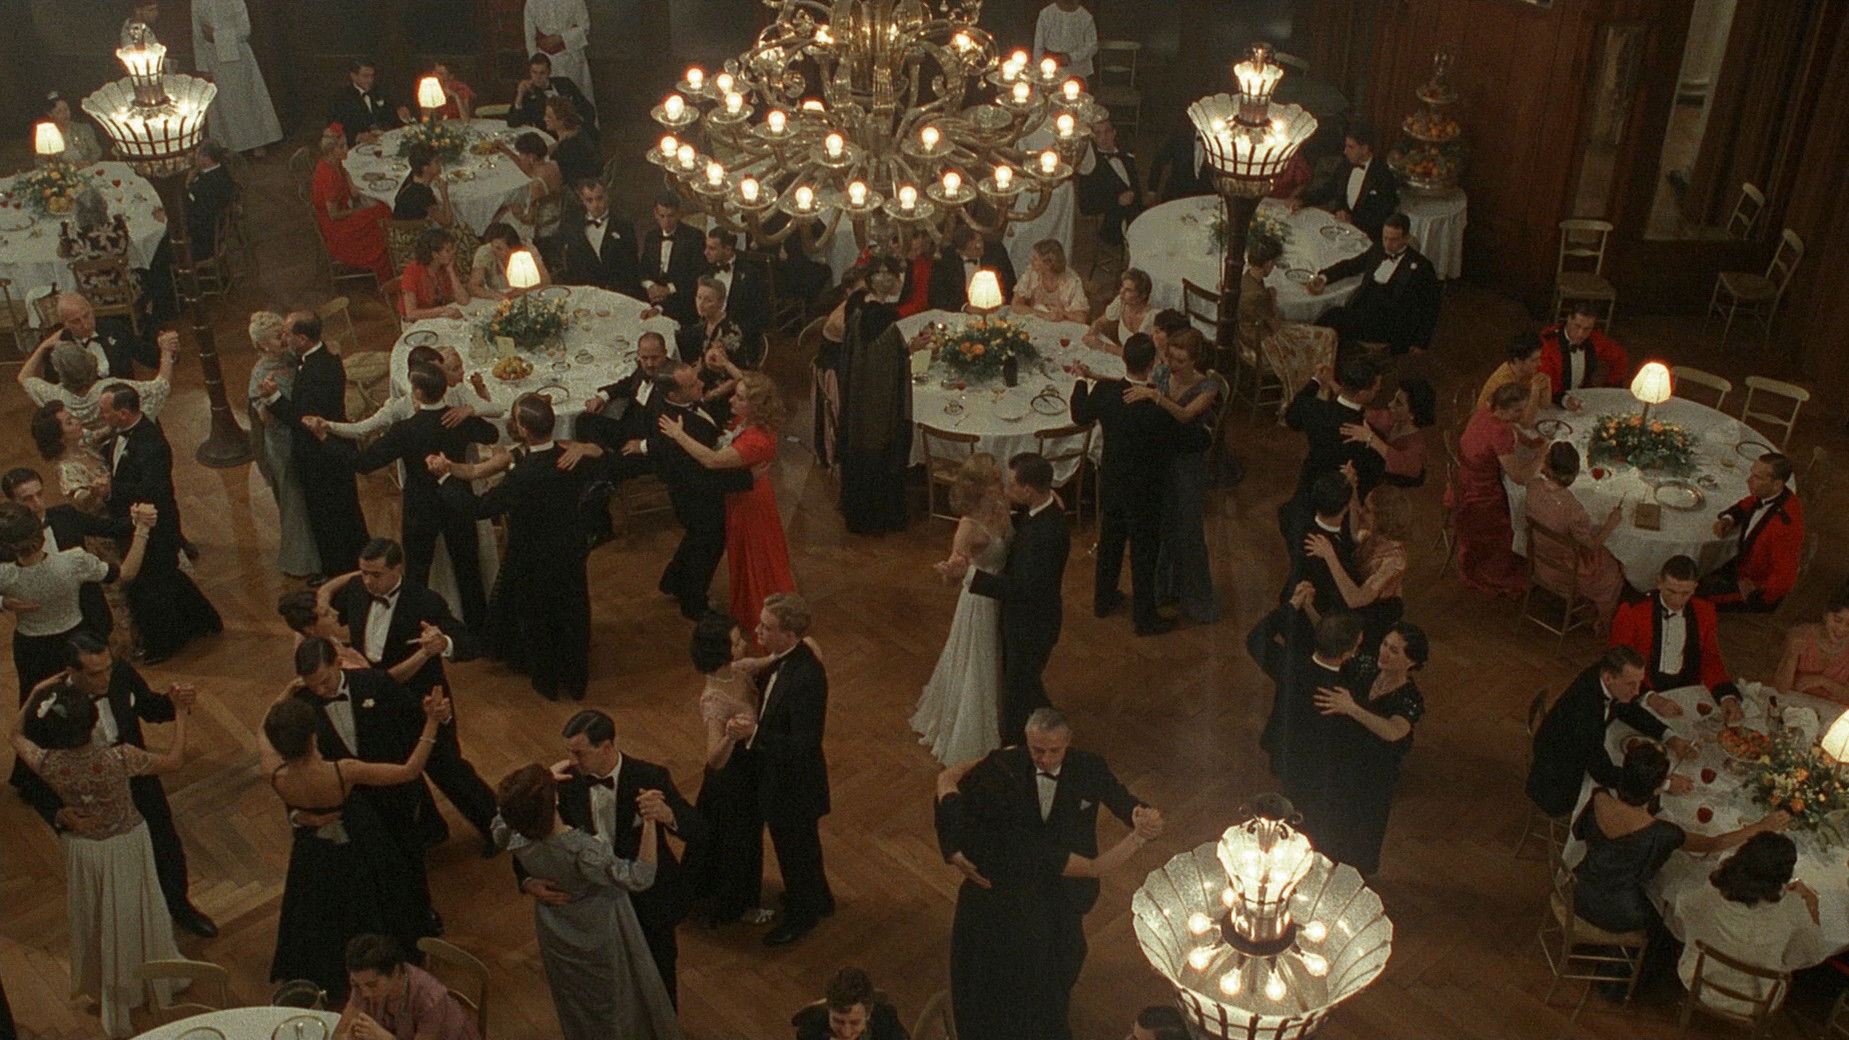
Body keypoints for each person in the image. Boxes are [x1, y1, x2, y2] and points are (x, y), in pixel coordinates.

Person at [935, 709, 1160, 1040]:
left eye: (1054, 750)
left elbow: (1121, 800)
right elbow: (951, 791)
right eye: (1037, 750)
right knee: (1017, 968)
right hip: (1012, 891)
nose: (1045, 758)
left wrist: (1140, 816)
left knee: (1065, 956)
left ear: (1068, 741)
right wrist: (952, 849)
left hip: (1063, 887)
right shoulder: (1004, 773)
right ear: (1026, 742)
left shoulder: (1088, 767)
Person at [10, 681, 189, 1037]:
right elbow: (175, 761)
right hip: (126, 843)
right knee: (135, 911)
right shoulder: (120, 758)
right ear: (94, 722)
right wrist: (182, 714)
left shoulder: (49, 763)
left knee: (97, 917)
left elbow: (14, 735)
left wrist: (34, 693)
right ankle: (149, 979)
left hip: (84, 849)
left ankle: (109, 984)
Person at [262, 665, 449, 998]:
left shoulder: (274, 774)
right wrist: (432, 722)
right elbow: (409, 771)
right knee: (377, 899)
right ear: (312, 737)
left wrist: (284, 695)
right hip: (359, 840)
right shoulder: (341, 772)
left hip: (313, 851)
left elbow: (261, 729)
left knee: (321, 909)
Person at [19, 632, 216, 936]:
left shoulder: (121, 674)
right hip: (87, 803)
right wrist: (58, 815)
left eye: (108, 668)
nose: (107, 678)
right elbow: (33, 776)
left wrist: (174, 703)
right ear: (72, 671)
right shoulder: (51, 706)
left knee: (165, 846)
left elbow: (149, 707)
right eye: (96, 674)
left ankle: (178, 905)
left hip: (136, 779)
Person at [523, 712, 704, 1005]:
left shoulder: (649, 776)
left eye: (579, 752)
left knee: (659, 973)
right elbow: (528, 830)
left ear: (606, 747)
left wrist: (667, 814)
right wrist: (527, 880)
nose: (571, 760)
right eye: (569, 751)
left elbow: (698, 830)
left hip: (647, 898)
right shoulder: (565, 781)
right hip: (591, 901)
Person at [433, 394, 605, 700]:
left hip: (530, 555)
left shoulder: (522, 476)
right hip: (569, 550)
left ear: (523, 429)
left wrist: (444, 477)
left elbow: (479, 508)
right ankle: (575, 677)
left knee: (536, 616)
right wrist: (587, 447)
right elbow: (605, 457)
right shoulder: (572, 455)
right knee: (572, 610)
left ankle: (546, 680)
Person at [495, 763, 682, 1040]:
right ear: (554, 800)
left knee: (574, 994)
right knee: (612, 997)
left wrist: (528, 881)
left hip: (555, 925)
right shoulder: (580, 849)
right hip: (597, 926)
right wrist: (649, 823)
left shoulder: (510, 829)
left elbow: (503, 820)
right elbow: (639, 877)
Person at [1573, 744, 1786, 973]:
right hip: (1618, 912)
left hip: (1577, 888)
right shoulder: (1663, 833)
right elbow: (1714, 844)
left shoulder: (1600, 797)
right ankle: (1630, 972)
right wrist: (1760, 826)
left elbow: (1580, 832)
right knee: (1667, 928)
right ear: (1657, 789)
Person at [725, 593, 834, 945]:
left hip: (794, 785)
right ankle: (820, 898)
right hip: (789, 780)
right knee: (804, 848)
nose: (757, 631)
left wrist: (754, 734)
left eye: (766, 627)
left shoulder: (806, 678)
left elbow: (803, 743)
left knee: (794, 852)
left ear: (789, 634)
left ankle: (803, 916)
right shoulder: (789, 657)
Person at [938, 454, 1070, 744]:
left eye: (1008, 482)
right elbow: (950, 579)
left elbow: (1023, 587)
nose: (1005, 488)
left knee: (1019, 683)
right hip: (986, 604)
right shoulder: (977, 525)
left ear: (1028, 490)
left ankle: (1019, 741)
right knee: (1004, 676)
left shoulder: (1042, 530)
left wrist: (971, 575)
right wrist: (957, 572)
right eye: (998, 481)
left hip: (1024, 614)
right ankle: (1025, 733)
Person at [658, 371, 795, 631]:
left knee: (755, 557)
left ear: (756, 405)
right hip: (737, 494)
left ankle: (762, 613)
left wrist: (678, 434)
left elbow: (711, 460)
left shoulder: (756, 439)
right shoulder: (747, 418)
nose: (732, 400)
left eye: (739, 398)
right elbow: (750, 383)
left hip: (750, 502)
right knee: (736, 553)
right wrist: (725, 370)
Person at [96, 382, 222, 662]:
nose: (100, 416)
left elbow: (154, 490)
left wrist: (112, 489)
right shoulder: (122, 433)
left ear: (124, 413)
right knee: (164, 577)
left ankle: (167, 643)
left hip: (155, 523)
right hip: (139, 519)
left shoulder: (151, 444)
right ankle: (203, 620)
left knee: (150, 585)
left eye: (105, 411)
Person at [0, 502, 150, 708]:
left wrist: (3, 602)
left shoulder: (4, 575)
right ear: (40, 534)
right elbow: (126, 573)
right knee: (89, 697)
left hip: (31, 649)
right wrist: (142, 530)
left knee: (39, 703)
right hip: (75, 641)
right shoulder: (73, 562)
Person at [913, 454, 1009, 766]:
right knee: (978, 662)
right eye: (994, 479)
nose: (1001, 483)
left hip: (1002, 593)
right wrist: (951, 569)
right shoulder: (967, 527)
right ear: (979, 486)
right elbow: (950, 581)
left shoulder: (1001, 507)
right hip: (980, 601)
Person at [260, 312, 372, 578]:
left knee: (328, 517)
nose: (283, 337)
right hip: (333, 449)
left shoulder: (317, 372)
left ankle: (338, 572)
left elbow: (307, 420)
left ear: (301, 339)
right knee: (345, 511)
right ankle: (358, 561)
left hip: (321, 455)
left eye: (287, 333)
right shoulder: (323, 358)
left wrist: (274, 398)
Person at [1310, 622, 1428, 875]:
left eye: (1394, 650)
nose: (1384, 652)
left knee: (1357, 830)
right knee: (1327, 818)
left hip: (1372, 775)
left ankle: (1348, 878)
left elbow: (1394, 731)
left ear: (1410, 662)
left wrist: (1352, 709)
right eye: (1385, 644)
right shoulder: (1365, 666)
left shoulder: (1409, 697)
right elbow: (1334, 647)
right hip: (1342, 760)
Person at [1525, 646, 1694, 819]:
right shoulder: (1585, 712)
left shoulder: (1603, 676)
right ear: (1608, 678)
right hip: (1558, 778)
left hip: (1578, 748)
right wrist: (1662, 783)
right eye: (1631, 684)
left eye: (1639, 683)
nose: (1637, 691)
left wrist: (1669, 738)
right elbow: (1602, 772)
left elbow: (1628, 709)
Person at [646, 361, 753, 620]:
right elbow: (700, 476)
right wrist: (746, 478)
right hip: (696, 497)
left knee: (696, 540)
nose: (702, 384)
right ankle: (693, 604)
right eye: (693, 385)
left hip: (697, 491)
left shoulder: (680, 403)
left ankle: (673, 581)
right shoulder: (672, 429)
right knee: (707, 548)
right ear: (673, 395)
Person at [1672, 833, 1819, 1017]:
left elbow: (1683, 911)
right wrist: (1813, 906)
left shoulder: (1714, 891)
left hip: (1699, 982)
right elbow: (1813, 953)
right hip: (1756, 1001)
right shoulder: (1792, 907)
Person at [684, 614, 767, 927]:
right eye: (735, 642)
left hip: (748, 770)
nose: (743, 644)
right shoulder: (714, 699)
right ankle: (736, 906)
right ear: (720, 652)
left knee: (745, 839)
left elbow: (774, 659)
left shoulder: (739, 670)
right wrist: (731, 736)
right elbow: (714, 759)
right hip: (731, 782)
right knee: (737, 844)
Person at [1252, 609, 1363, 835]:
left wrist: (1291, 606)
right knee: (1308, 814)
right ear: (1347, 654)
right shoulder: (1343, 690)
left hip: (1284, 746)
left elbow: (1255, 639)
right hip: (1316, 764)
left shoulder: (1290, 665)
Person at [1141, 326, 1221, 624]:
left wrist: (1156, 398)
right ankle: (1165, 588)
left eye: (1181, 360)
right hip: (1163, 458)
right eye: (1171, 358)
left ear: (1194, 360)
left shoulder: (1208, 386)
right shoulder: (1162, 374)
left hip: (1188, 462)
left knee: (1188, 529)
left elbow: (1186, 416)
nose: (1173, 365)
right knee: (1163, 525)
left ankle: (1197, 600)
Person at [829, 262, 913, 534]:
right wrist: (908, 351)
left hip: (858, 397)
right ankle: (879, 517)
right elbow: (891, 364)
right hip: (879, 403)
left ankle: (856, 511)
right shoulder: (885, 321)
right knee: (879, 448)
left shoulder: (858, 309)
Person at [2, 465, 123, 647]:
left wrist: (142, 520)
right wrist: (2, 602)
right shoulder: (5, 536)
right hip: (39, 637)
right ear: (12, 502)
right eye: (27, 499)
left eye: (39, 494)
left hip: (89, 617)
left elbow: (111, 528)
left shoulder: (65, 516)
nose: (38, 503)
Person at [1610, 555, 1740, 719]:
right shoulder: (1632, 611)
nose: (1677, 600)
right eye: (1671, 591)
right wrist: (1652, 698)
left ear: (1694, 588)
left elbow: (1710, 658)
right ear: (1659, 582)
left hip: (1687, 689)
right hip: (1642, 689)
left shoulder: (1705, 610)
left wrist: (1726, 696)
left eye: (1685, 593)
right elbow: (1618, 663)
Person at [1450, 381, 1543, 597]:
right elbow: (1519, 476)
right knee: (1520, 509)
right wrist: (1541, 455)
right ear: (1501, 408)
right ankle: (1501, 568)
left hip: (1462, 479)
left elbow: (1513, 428)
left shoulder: (1487, 410)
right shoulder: (1500, 432)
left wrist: (1529, 442)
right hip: (1479, 494)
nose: (1522, 414)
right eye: (1517, 411)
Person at [1525, 442, 1625, 632]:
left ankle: (1587, 608)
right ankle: (1604, 619)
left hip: (1538, 556)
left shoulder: (1532, 486)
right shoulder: (1574, 511)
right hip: (1563, 571)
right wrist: (1610, 524)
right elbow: (1591, 547)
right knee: (1613, 569)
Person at [1308, 212, 1441, 355]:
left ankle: (1317, 355)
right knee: (1329, 318)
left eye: (1394, 240)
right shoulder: (1378, 249)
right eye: (1385, 238)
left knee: (1334, 320)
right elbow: (1352, 265)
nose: (1388, 244)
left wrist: (1420, 342)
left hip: (1389, 324)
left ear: (1406, 238)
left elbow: (1430, 306)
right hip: (1363, 310)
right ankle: (1318, 354)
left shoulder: (1422, 266)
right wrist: (1324, 277)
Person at [1283, 354, 1384, 530]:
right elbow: (1374, 472)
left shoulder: (1315, 409)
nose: (1378, 391)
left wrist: (1316, 380)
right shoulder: (1364, 433)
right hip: (1340, 501)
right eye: (1376, 390)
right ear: (1362, 394)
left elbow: (1292, 417)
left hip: (1308, 487)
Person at [1307, 483, 1411, 643]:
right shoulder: (1376, 536)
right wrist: (1353, 495)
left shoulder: (1395, 560)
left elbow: (1355, 600)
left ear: (1382, 519)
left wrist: (1329, 554)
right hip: (1358, 595)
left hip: (1370, 614)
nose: (1361, 512)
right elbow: (1356, 534)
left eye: (1368, 510)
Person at [19, 326, 175, 433]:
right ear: (90, 360)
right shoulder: (111, 390)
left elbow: (24, 376)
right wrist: (166, 351)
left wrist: (44, 346)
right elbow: (161, 386)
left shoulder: (56, 398)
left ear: (59, 372)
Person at [1704, 451, 1803, 612]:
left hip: (1754, 586)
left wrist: (1754, 596)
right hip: (1743, 563)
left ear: (1777, 484)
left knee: (1689, 598)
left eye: (1757, 477)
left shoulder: (1784, 528)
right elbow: (1750, 503)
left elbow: (1785, 578)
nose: (1749, 480)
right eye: (1752, 473)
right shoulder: (1774, 493)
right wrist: (1728, 519)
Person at [334, 933, 478, 1040]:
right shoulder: (363, 982)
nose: (365, 993)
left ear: (395, 971)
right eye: (357, 985)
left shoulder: (430, 1000)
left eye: (372, 985)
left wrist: (385, 1038)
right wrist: (347, 1038)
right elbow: (338, 1034)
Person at [191, 0, 282, 154]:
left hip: (238, 57)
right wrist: (202, 67)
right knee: (224, 104)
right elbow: (197, 35)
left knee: (246, 99)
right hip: (213, 59)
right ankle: (230, 145)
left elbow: (244, 30)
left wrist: (216, 36)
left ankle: (257, 142)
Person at [311, 126, 394, 282]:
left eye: (346, 144)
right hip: (337, 229)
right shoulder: (329, 176)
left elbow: (352, 188)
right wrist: (357, 212)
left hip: (342, 216)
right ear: (331, 151)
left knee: (382, 210)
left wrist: (348, 178)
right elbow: (333, 215)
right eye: (341, 147)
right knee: (384, 214)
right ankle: (385, 269)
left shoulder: (332, 163)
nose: (346, 149)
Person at [1302, 123, 1398, 242]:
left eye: (1350, 147)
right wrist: (1302, 200)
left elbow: (1382, 214)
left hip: (1365, 238)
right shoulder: (1345, 165)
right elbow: (1328, 190)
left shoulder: (1383, 175)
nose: (1345, 151)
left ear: (1364, 149)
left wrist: (1352, 219)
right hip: (1339, 231)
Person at [37, 292, 155, 386]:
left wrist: (164, 349)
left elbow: (146, 354)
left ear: (91, 309)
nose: (85, 324)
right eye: (76, 321)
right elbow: (53, 388)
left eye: (86, 315)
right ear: (65, 324)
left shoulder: (113, 328)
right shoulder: (58, 350)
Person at [557, 179, 639, 295]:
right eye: (589, 200)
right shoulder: (574, 228)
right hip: (588, 293)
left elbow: (632, 264)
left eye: (599, 198)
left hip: (619, 292)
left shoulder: (623, 225)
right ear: (582, 200)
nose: (595, 205)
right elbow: (573, 268)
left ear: (607, 196)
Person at [1538, 305, 1631, 405]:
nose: (1580, 334)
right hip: (1551, 400)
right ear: (1569, 319)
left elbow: (1620, 358)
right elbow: (1542, 378)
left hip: (1582, 396)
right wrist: (1564, 399)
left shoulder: (1595, 339)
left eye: (1587, 329)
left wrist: (1609, 384)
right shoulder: (1548, 342)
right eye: (1577, 326)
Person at [58, 188, 136, 303]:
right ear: (104, 208)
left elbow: (60, 254)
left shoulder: (71, 236)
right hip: (124, 294)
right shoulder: (117, 230)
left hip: (90, 297)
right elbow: (133, 256)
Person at [1774, 584, 1849, 702]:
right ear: (1826, 615)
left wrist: (1822, 681)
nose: (1842, 629)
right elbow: (1781, 688)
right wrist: (1792, 655)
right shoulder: (1802, 635)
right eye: (1837, 620)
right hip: (1794, 705)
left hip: (1833, 710)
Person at [1078, 119, 1147, 245]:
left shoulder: (1127, 156)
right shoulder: (1089, 166)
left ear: (1114, 133)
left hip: (1139, 218)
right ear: (1092, 138)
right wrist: (1117, 200)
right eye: (1098, 133)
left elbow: (1137, 189)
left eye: (1107, 131)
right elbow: (1085, 206)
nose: (1104, 137)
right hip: (1114, 227)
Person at [642, 192, 706, 326]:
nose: (666, 221)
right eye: (662, 216)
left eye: (671, 216)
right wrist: (650, 285)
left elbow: (696, 275)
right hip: (651, 298)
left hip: (681, 302)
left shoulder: (694, 237)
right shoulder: (651, 236)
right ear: (655, 214)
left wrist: (668, 289)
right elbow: (643, 268)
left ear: (679, 214)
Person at [791, 967, 908, 1040]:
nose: (846, 1034)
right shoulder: (811, 1030)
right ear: (828, 1010)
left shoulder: (886, 1024)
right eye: (838, 1021)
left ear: (868, 1014)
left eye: (855, 1023)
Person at [1358, 377, 1435, 487]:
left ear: (1412, 414)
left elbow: (1405, 466)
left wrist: (1371, 438)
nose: (1390, 404)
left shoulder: (1417, 445)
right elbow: (1365, 414)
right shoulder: (1390, 419)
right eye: (1394, 398)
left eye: (1398, 403)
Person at [493, 135, 563, 249]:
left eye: (521, 154)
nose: (520, 156)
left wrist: (516, 212)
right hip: (557, 212)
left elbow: (529, 220)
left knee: (498, 215)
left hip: (544, 225)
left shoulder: (537, 184)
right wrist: (507, 151)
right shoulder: (553, 165)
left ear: (531, 157)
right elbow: (530, 171)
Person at [927, 226, 1016, 313]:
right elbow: (938, 296)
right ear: (960, 251)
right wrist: (965, 307)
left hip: (996, 308)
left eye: (980, 241)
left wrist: (1000, 299)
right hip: (962, 312)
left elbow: (1010, 282)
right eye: (975, 248)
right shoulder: (945, 259)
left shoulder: (996, 251)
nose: (981, 247)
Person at [703, 228, 772, 335]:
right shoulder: (706, 271)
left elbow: (762, 314)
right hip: (708, 331)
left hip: (739, 334)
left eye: (712, 248)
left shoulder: (750, 274)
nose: (705, 252)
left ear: (728, 249)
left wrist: (736, 333)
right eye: (706, 247)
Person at [507, 50, 596, 132]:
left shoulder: (565, 83)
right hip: (548, 136)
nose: (538, 77)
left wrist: (579, 128)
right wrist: (519, 96)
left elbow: (588, 110)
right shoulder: (527, 94)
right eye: (534, 72)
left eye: (542, 73)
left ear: (549, 72)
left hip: (574, 132)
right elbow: (512, 122)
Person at [524, 0, 594, 99]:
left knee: (574, 98)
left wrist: (560, 38)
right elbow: (529, 37)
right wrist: (535, 65)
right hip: (545, 60)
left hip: (570, 57)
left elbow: (585, 27)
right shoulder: (532, 2)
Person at [1475, 333, 1552, 422]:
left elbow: (1544, 405)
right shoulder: (1504, 384)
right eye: (1534, 360)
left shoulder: (1526, 371)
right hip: (1489, 424)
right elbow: (1525, 422)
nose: (1540, 364)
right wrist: (1535, 392)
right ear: (1517, 360)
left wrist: (1547, 385)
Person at [328, 59, 408, 145]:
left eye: (372, 76)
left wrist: (401, 116)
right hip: (357, 145)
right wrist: (357, 136)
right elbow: (334, 128)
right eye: (365, 76)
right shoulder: (342, 97)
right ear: (353, 76)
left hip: (383, 142)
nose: (370, 80)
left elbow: (391, 117)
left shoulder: (380, 91)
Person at [1010, 238, 1089, 324]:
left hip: (1060, 325)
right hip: (1036, 322)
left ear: (1048, 264)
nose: (1031, 261)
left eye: (1035, 259)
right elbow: (1015, 305)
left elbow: (1081, 318)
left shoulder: (1071, 279)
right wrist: (1044, 315)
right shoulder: (1031, 273)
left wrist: (1063, 313)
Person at [469, 221, 550, 299]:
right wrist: (491, 294)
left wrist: (522, 291)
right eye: (493, 246)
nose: (494, 250)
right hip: (498, 298)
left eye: (499, 248)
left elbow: (546, 280)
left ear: (512, 248)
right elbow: (473, 286)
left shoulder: (526, 251)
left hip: (527, 295)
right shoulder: (485, 252)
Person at [1082, 268, 1155, 353]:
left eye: (1129, 290)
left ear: (1142, 296)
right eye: (1122, 286)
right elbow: (1100, 322)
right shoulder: (1121, 302)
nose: (1121, 292)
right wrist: (1091, 333)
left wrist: (1102, 345)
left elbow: (1136, 354)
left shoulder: (1151, 318)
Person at [1031, 0, 1098, 80]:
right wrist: (1037, 70)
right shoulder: (1046, 14)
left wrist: (1071, 57)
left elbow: (1092, 46)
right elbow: (1038, 46)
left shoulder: (1085, 17)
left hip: (1076, 70)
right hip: (1049, 68)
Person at [393, 144, 456, 227]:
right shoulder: (422, 193)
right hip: (412, 232)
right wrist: (444, 194)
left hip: (402, 226)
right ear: (425, 168)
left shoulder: (412, 176)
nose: (440, 164)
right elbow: (447, 222)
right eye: (436, 162)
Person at [544, 95, 600, 187]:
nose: (545, 119)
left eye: (549, 117)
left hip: (580, 187)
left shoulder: (563, 151)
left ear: (561, 120)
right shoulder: (581, 131)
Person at [40, 92, 103, 165]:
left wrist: (89, 162)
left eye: (66, 109)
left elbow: (96, 151)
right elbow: (41, 161)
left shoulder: (83, 129)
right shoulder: (47, 135)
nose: (65, 114)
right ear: (50, 114)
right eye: (59, 112)